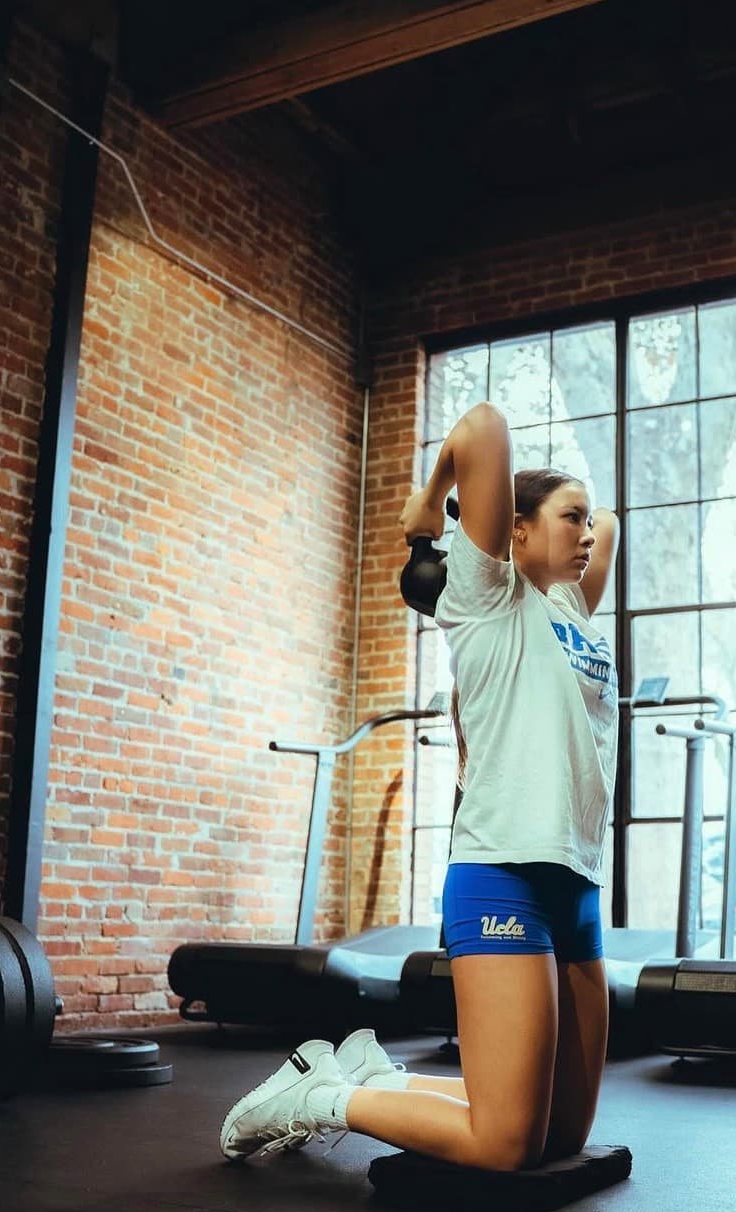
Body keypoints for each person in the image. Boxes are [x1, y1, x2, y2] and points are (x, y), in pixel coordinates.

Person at [219, 401, 621, 1171]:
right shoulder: (485, 596)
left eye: (584, 520)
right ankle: (313, 1097)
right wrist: (428, 507)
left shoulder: (570, 605)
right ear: (514, 530)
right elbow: (483, 427)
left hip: (575, 883)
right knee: (506, 1146)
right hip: (501, 872)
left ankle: (379, 1076)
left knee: (559, 1139)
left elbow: (612, 522)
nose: (588, 533)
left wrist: (574, 506)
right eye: (568, 519)